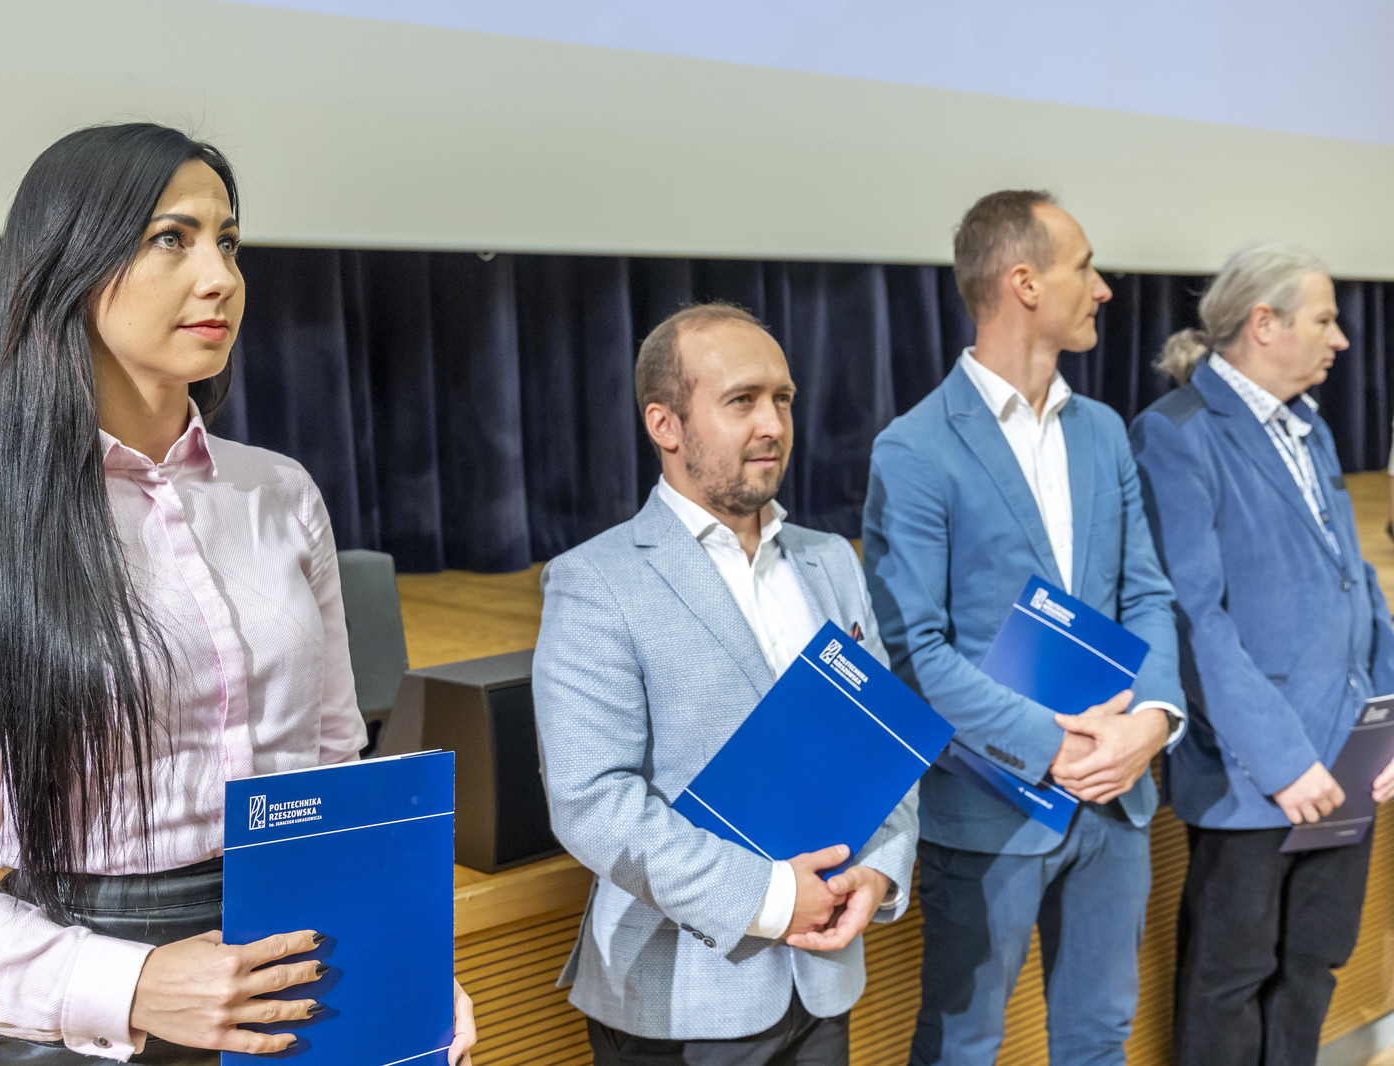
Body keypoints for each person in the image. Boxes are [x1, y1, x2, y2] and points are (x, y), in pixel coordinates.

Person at [0, 124, 476, 1065]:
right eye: (171, 238)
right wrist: (131, 985)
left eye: (228, 241)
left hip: (298, 963)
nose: (219, 277)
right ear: (69, 266)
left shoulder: (280, 492)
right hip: (73, 995)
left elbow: (334, 767)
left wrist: (399, 955)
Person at [532, 302, 919, 1066]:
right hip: (681, 999)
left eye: (783, 399)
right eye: (742, 400)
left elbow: (881, 746)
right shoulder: (594, 581)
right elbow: (592, 802)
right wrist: (770, 900)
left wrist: (879, 871)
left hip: (824, 982)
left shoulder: (831, 562)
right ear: (665, 425)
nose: (773, 424)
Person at [862, 190, 1186, 1066]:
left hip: (1116, 796)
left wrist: (1152, 723)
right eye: (1085, 267)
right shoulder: (914, 448)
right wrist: (1053, 746)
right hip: (989, 804)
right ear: (1024, 283)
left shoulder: (1104, 432)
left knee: (1100, 1037)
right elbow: (911, 653)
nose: (1104, 288)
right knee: (964, 1045)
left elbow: (1147, 596)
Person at [1130, 245, 1394, 1066]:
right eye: (1325, 319)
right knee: (1230, 979)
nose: (1342, 339)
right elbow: (1192, 619)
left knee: (1312, 965)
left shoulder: (1311, 426)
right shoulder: (1176, 433)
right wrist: (1283, 762)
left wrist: (1387, 723)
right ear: (1264, 322)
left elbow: (1357, 584)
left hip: (1346, 758)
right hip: (1254, 773)